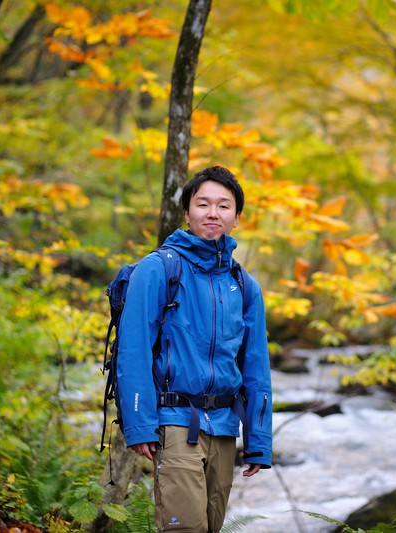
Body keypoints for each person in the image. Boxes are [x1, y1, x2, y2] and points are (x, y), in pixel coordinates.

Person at [116, 165, 273, 532]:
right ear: (186, 213)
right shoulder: (159, 269)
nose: (212, 213)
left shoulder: (244, 286)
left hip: (225, 429)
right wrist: (140, 426)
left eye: (223, 205)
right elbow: (133, 351)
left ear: (237, 218)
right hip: (175, 422)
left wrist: (259, 439)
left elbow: (256, 368)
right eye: (203, 204)